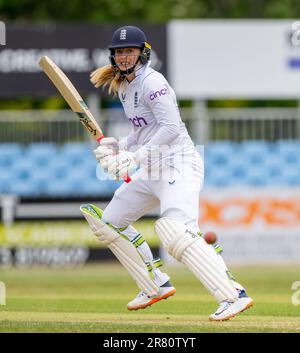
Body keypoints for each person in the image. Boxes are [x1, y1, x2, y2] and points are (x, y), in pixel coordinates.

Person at [80, 25, 253, 321]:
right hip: (151, 167)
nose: (123, 57)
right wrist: (118, 146)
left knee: (174, 230)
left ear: (142, 53)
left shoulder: (152, 82)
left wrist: (135, 157)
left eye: (129, 51)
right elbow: (142, 131)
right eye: (119, 52)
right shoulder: (124, 85)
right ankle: (154, 285)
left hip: (178, 163)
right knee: (108, 223)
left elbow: (171, 128)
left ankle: (233, 294)